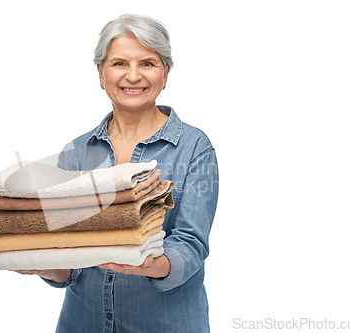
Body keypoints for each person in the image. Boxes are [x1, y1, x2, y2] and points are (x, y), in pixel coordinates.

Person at [16, 14, 219, 332]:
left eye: (148, 64)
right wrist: (43, 264)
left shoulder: (194, 147)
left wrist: (151, 264)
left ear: (166, 73)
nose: (133, 76)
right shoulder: (78, 152)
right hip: (83, 323)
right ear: (100, 72)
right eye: (120, 63)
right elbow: (71, 263)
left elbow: (191, 243)